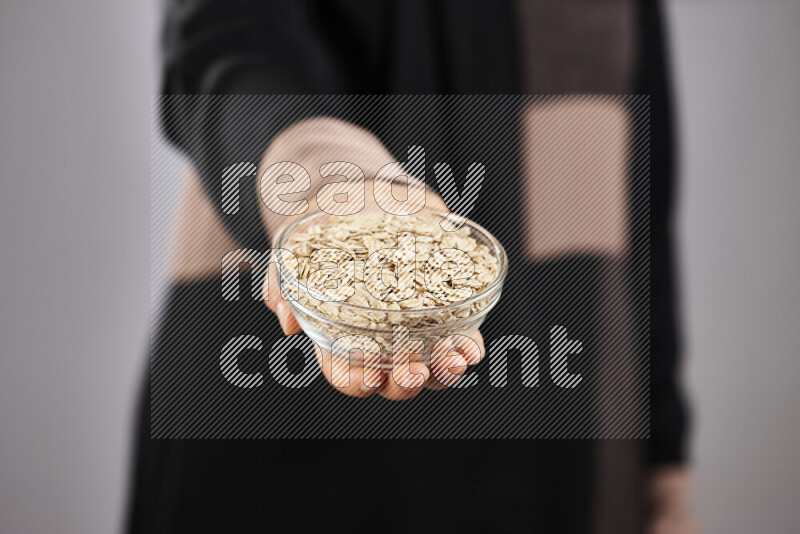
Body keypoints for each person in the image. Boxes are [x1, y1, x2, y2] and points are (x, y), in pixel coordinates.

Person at [128, 1, 695, 532]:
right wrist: (329, 177)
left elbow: (640, 189)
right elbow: (227, 41)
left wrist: (663, 450)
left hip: (565, 427)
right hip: (283, 417)